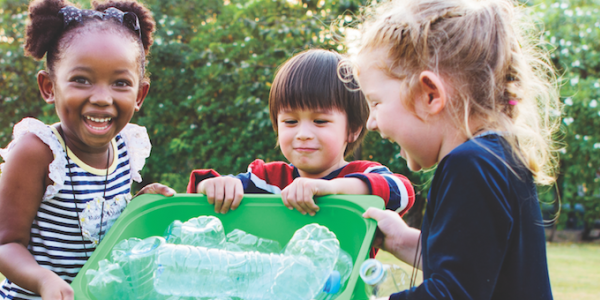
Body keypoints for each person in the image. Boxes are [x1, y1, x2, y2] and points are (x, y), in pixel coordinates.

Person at [350, 0, 560, 299]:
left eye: (376, 103)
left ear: (429, 95)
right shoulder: (497, 157)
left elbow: (453, 293)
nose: (371, 122)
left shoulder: (470, 165)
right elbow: (473, 267)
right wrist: (402, 240)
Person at [0, 0, 175, 299]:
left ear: (140, 95)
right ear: (49, 87)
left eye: (120, 83)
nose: (102, 98)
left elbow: (98, 228)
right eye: (82, 80)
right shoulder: (38, 152)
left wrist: (136, 207)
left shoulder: (125, 148)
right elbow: (6, 243)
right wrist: (43, 281)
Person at [187, 49, 415, 219]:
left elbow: (403, 192)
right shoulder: (267, 181)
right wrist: (214, 186)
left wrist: (331, 188)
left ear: (353, 129)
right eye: (290, 121)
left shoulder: (362, 174)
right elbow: (202, 194)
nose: (303, 133)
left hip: (348, 284)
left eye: (320, 121)